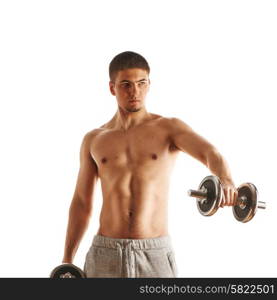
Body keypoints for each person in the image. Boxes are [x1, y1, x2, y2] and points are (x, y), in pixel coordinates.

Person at [61, 51, 238, 278]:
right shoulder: (94, 139)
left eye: (141, 83)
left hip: (153, 255)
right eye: (126, 84)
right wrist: (67, 260)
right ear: (112, 88)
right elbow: (81, 203)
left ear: (149, 85)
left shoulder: (169, 128)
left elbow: (210, 153)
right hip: (105, 253)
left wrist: (226, 180)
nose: (135, 92)